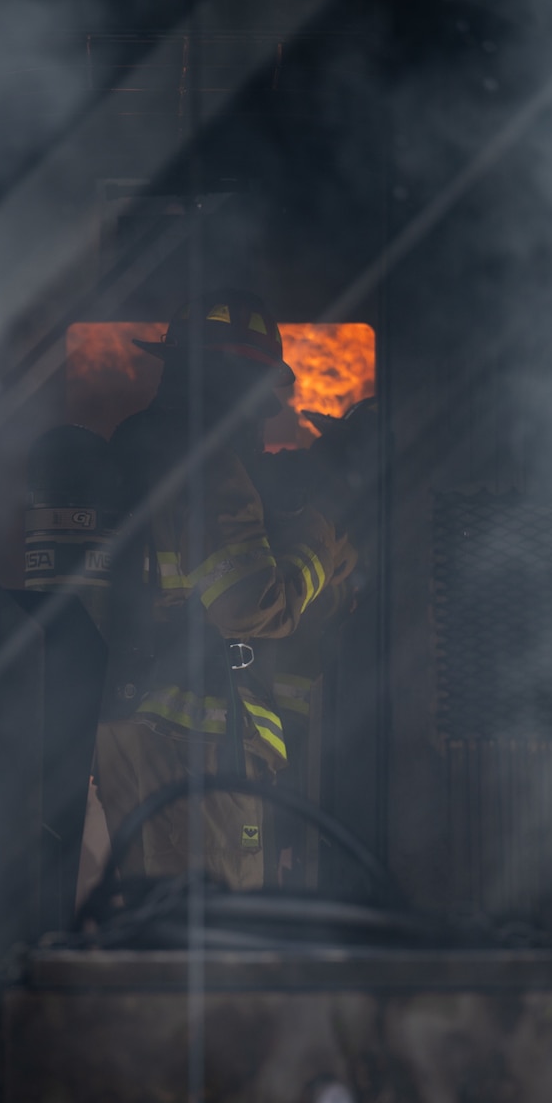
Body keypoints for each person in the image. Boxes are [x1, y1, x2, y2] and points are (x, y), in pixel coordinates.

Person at [89, 290, 358, 899]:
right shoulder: (208, 466)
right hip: (193, 744)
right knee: (213, 937)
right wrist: (322, 545)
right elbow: (251, 606)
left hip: (139, 727)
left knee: (156, 929)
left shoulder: (144, 448)